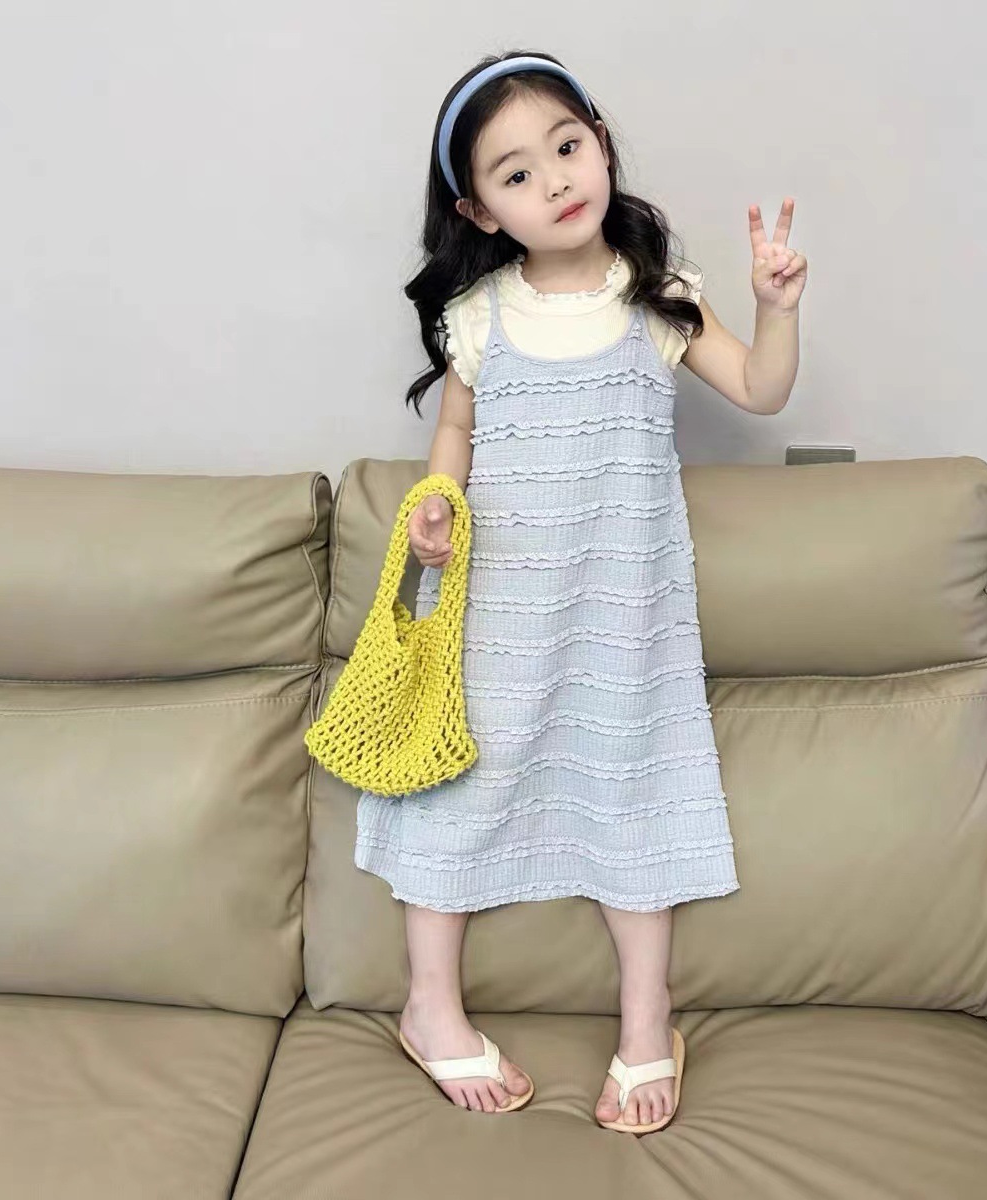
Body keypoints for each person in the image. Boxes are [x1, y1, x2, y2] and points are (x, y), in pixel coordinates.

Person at [355, 49, 807, 1133]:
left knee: (632, 792)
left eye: (567, 147)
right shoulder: (480, 315)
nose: (556, 180)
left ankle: (649, 1026)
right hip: (497, 614)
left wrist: (776, 307)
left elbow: (761, 389)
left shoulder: (659, 299)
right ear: (481, 210)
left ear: (600, 143)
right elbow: (455, 433)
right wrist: (434, 506)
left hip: (623, 615)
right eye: (517, 173)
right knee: (453, 791)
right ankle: (429, 1007)